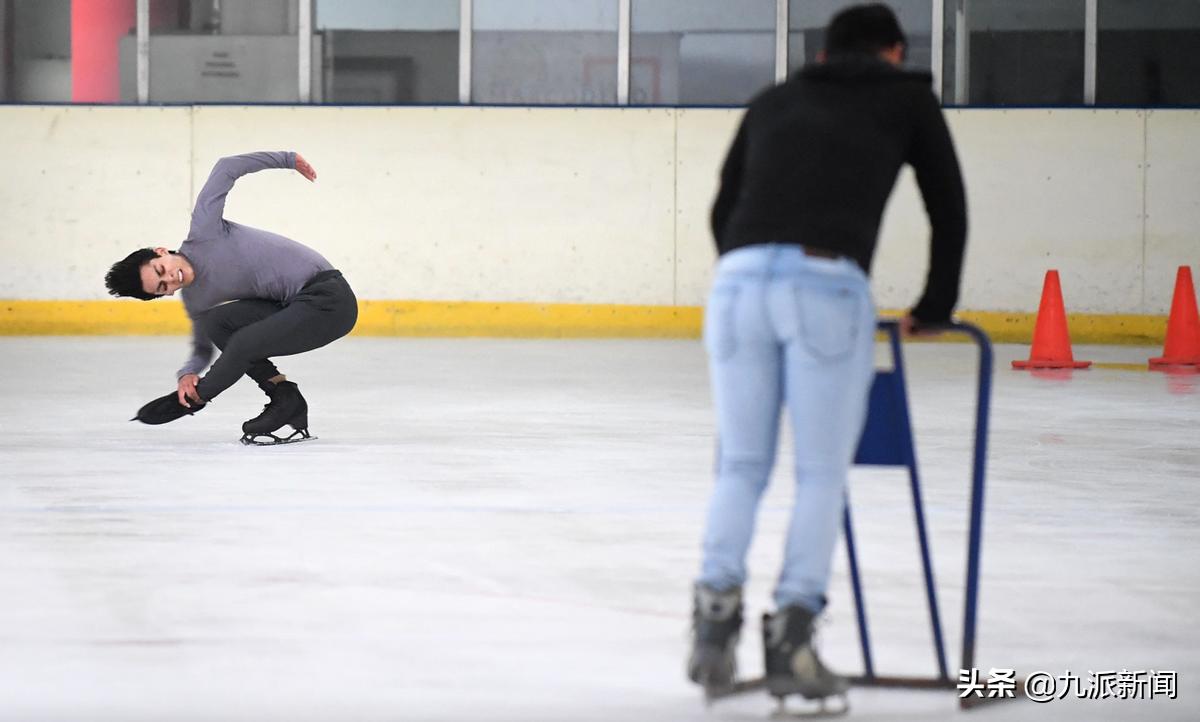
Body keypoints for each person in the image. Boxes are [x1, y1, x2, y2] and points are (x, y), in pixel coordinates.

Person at [687, 3, 967, 704]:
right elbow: (948, 206)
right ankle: (793, 638)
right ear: (894, 52)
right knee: (819, 472)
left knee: (743, 463)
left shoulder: (776, 98)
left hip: (737, 284)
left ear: (823, 54)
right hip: (826, 281)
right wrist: (934, 308)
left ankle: (714, 622)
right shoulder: (907, 96)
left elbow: (723, 210)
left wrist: (757, 268)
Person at [103, 151, 358, 444]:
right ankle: (284, 396)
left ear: (162, 251)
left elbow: (227, 167)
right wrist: (187, 374)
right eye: (162, 286)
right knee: (217, 323)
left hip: (330, 301)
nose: (170, 279)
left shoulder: (204, 231)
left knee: (244, 342)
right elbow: (202, 349)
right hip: (293, 306)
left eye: (162, 270)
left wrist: (288, 159)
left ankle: (194, 401)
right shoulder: (195, 299)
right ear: (166, 295)